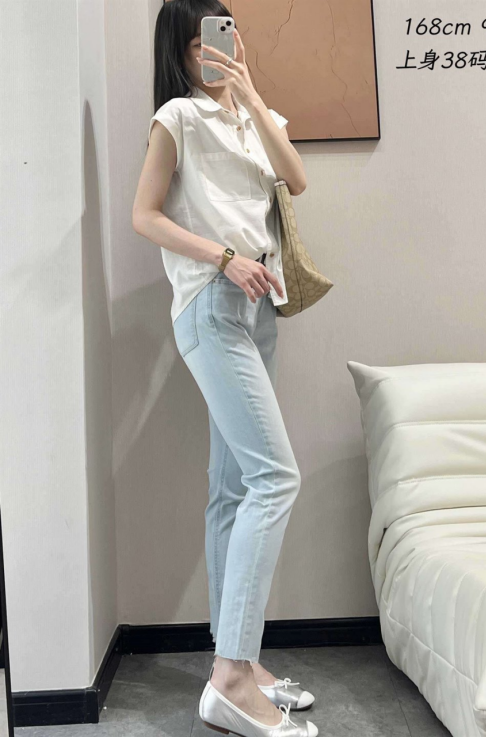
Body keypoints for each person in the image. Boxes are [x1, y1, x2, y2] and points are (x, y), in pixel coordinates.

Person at [132, 3, 317, 736]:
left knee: (232, 487)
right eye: (205, 41)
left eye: (229, 34)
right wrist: (223, 256)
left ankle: (237, 656)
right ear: (181, 52)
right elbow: (145, 215)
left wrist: (250, 93)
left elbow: (296, 178)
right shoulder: (176, 117)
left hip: (260, 308)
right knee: (276, 477)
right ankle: (232, 677)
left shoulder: (253, 117)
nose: (220, 49)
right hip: (211, 303)